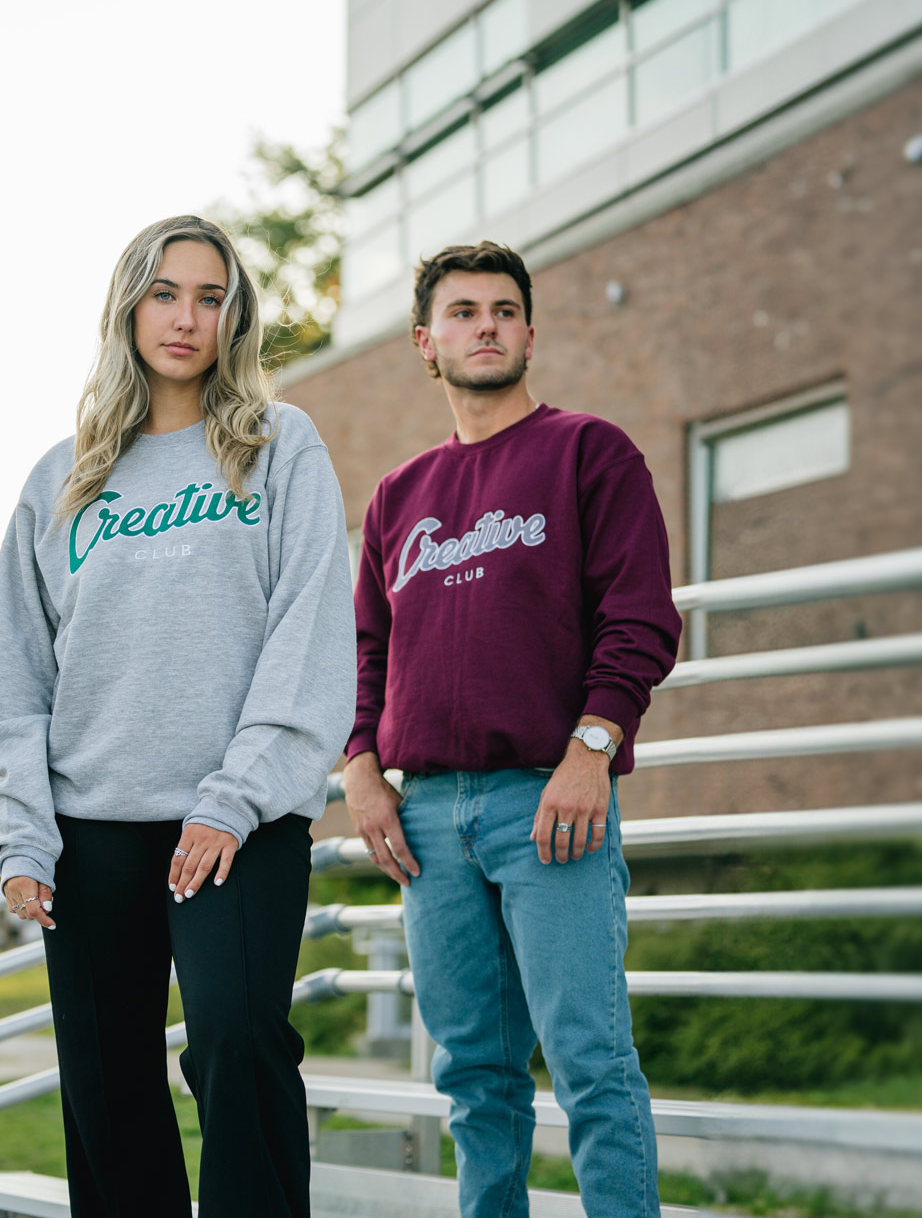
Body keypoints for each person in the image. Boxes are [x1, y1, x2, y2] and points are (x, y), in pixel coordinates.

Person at [0, 213, 356, 1218]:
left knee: (236, 1036)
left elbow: (307, 634)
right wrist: (21, 835)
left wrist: (234, 798)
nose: (187, 317)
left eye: (211, 296)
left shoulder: (281, 446)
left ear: (236, 317)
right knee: (106, 1080)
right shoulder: (63, 476)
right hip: (91, 825)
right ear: (129, 306)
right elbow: (11, 678)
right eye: (166, 292)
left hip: (239, 819)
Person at [338, 242, 681, 1217]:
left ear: (529, 331)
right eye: (461, 311)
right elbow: (366, 649)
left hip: (551, 801)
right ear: (425, 341)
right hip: (431, 817)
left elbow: (641, 616)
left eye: (502, 309)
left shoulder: (588, 451)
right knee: (473, 1074)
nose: (484, 324)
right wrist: (362, 771)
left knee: (589, 1059)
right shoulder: (399, 496)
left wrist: (591, 750)